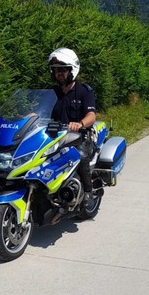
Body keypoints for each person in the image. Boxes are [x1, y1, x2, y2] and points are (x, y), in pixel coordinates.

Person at [48, 47, 96, 207]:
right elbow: (41, 110)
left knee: (80, 155)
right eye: (55, 70)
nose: (58, 74)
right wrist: (30, 116)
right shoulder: (52, 92)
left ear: (72, 70)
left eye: (62, 70)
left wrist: (80, 124)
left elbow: (91, 115)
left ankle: (89, 192)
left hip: (79, 137)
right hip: (56, 137)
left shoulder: (84, 91)